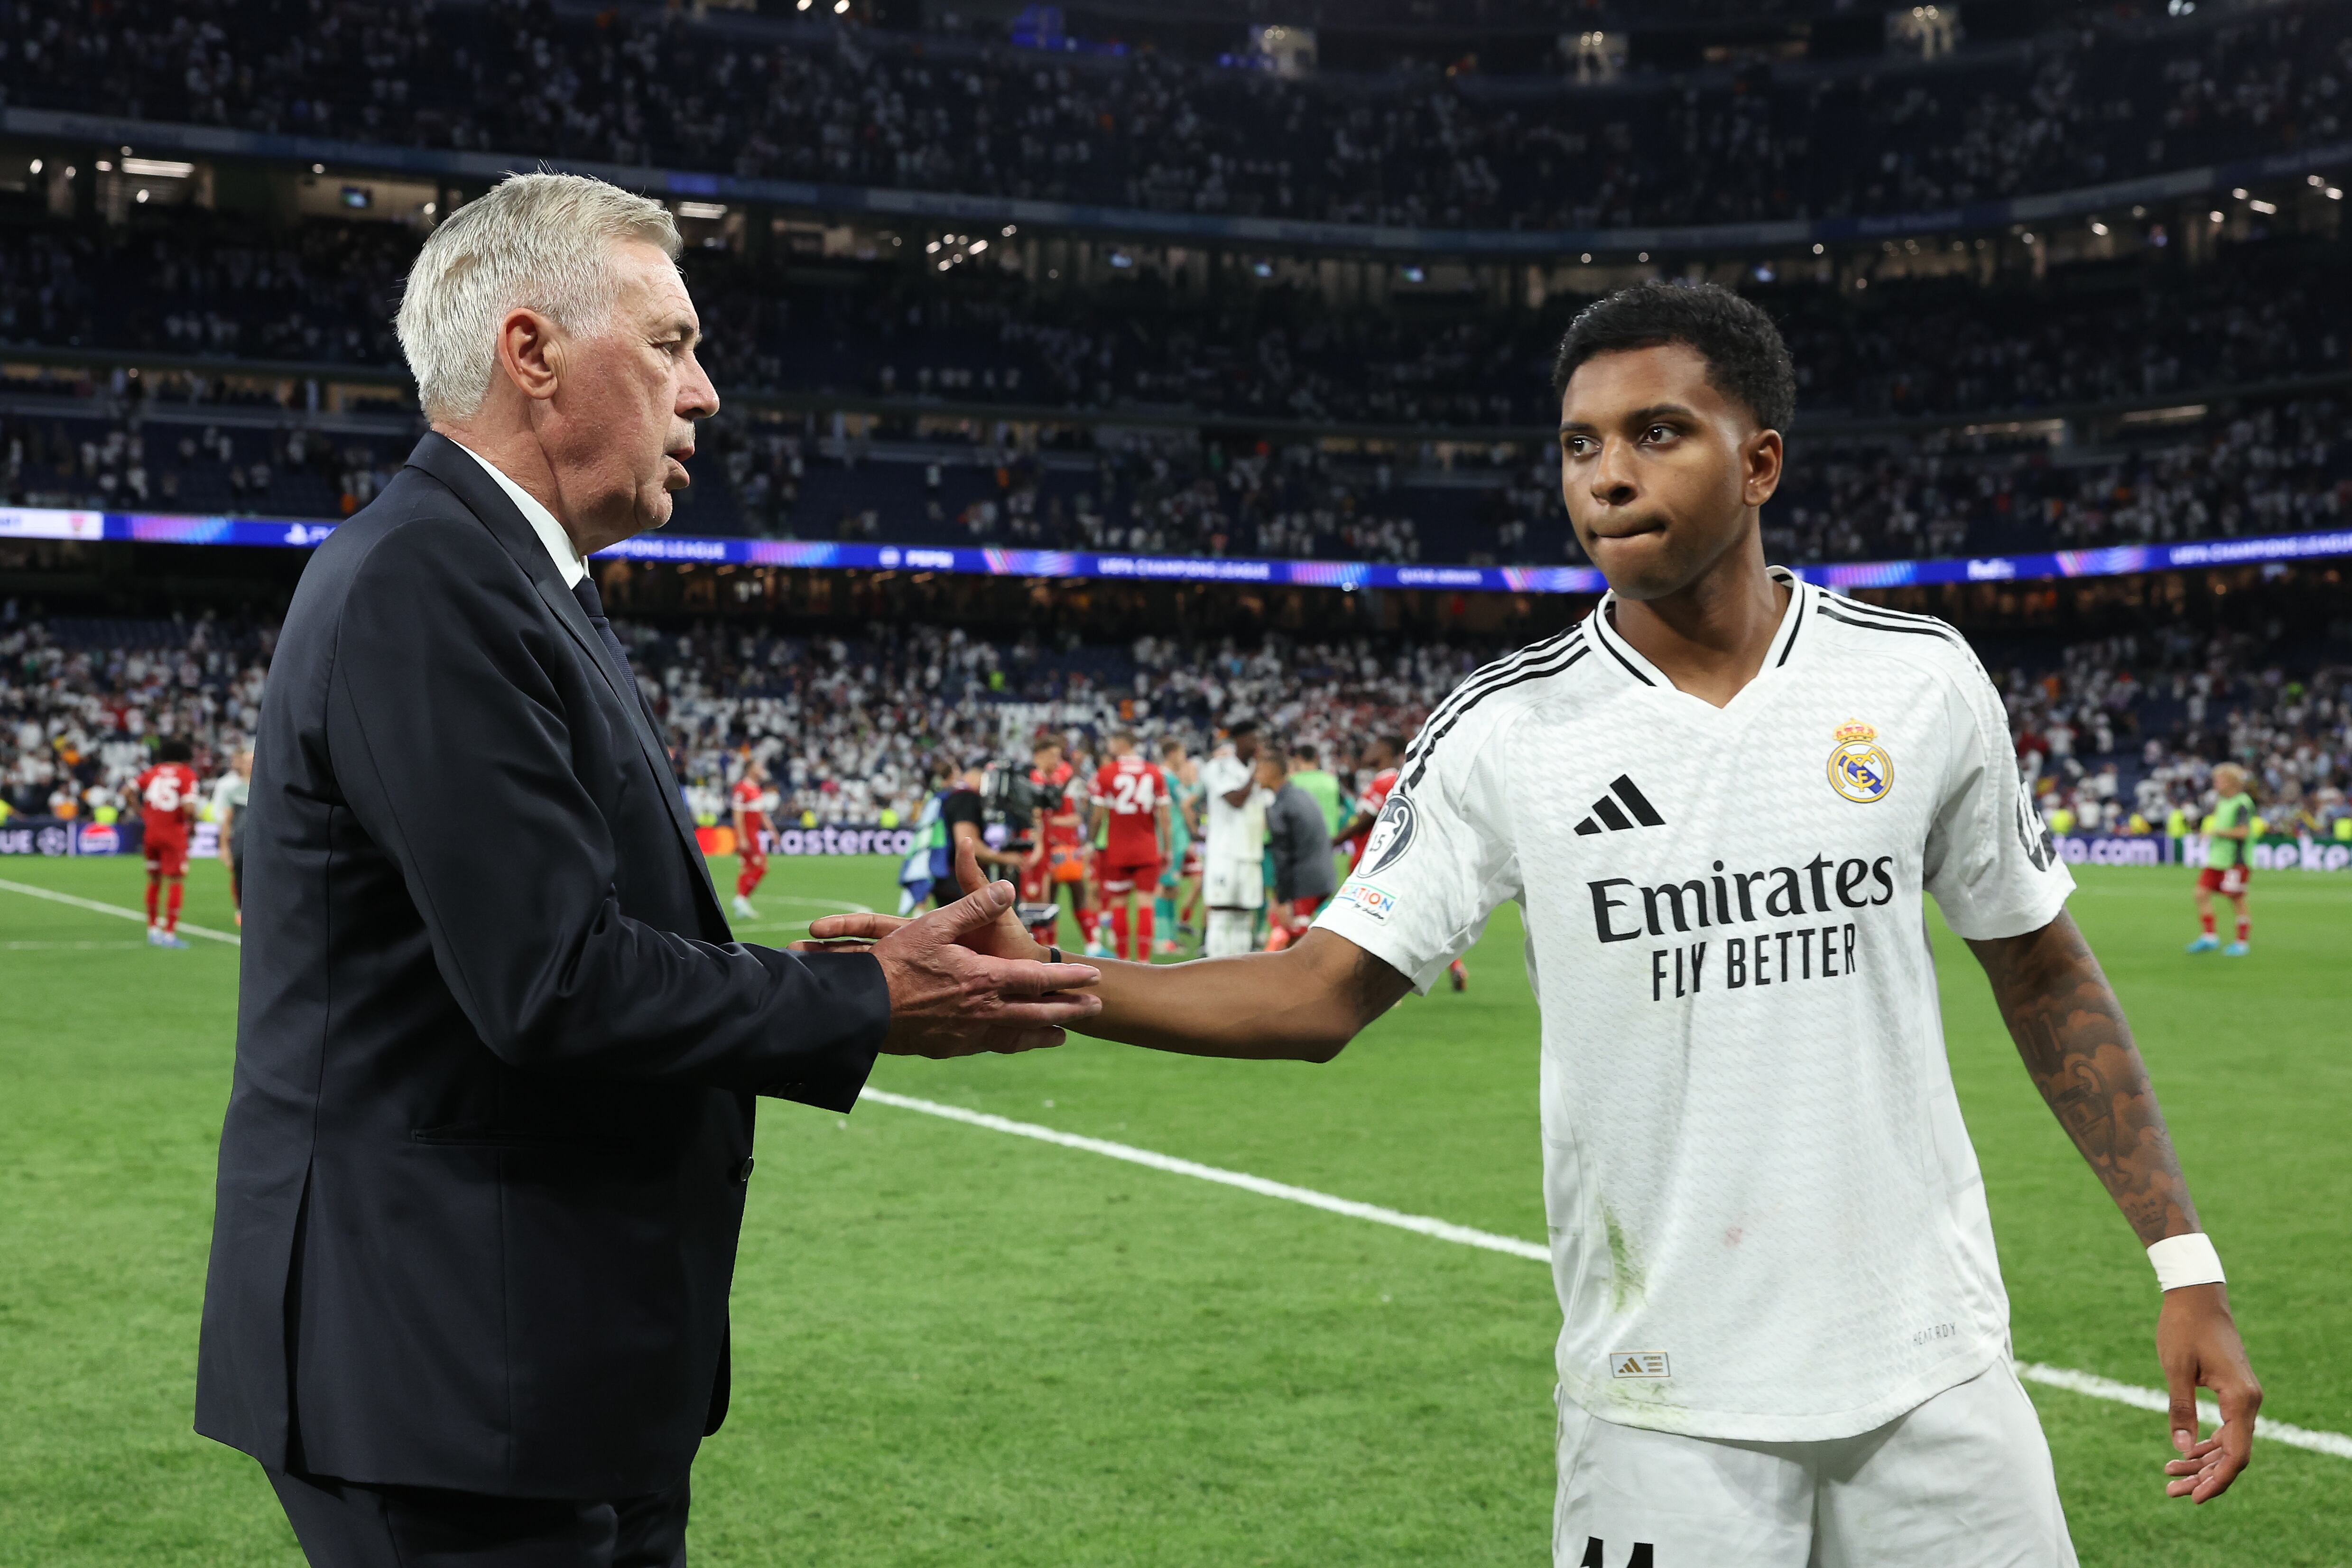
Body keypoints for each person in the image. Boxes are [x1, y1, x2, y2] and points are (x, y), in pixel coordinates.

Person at [820, 281, 2262, 1564]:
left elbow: (2039, 965)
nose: (1605, 477)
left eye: (1654, 434)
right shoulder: (1504, 733)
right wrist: (1059, 981)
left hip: (1936, 1375)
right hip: (1661, 1408)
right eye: (1578, 446)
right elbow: (1313, 995)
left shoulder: (1915, 681)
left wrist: (2180, 1262)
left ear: (1756, 461)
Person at [194, 172, 1102, 1568]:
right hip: (447, 1385)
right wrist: (865, 1003)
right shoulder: (424, 583)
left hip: (534, 1372)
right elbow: (551, 981)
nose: (707, 393)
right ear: (531, 352)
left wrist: (836, 977)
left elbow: (568, 941)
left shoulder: (505, 579)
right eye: (671, 343)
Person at [1334, 733, 1468, 992]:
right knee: (1409, 920)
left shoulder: (1386, 781)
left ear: (1385, 750)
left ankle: (1380, 985)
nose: (1367, 750)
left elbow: (1364, 820)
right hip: (1388, 865)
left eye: (1373, 745)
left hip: (1372, 865)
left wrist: (1333, 841)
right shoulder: (1396, 780)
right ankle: (1454, 965)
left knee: (1368, 924)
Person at [1089, 731, 1173, 962]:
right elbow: (1164, 818)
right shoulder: (1154, 772)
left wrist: (1091, 843)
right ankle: (1144, 962)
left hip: (1118, 850)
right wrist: (1168, 849)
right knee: (1146, 903)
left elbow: (1097, 816)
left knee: (1118, 904)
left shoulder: (1107, 773)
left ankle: (1124, 960)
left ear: (1119, 743)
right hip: (1147, 848)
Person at [1198, 720, 1271, 958]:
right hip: (1225, 851)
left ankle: (1238, 968)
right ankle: (1214, 966)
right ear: (1240, 740)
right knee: (1221, 911)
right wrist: (1257, 773)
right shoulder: (1218, 767)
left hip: (1251, 851)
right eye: (1254, 739)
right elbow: (1236, 800)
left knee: (1244, 913)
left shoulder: (1257, 770)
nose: (1259, 744)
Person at [1259, 745, 1339, 952]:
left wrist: (1283, 898)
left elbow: (1283, 855)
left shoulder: (1281, 806)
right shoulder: (1299, 795)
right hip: (1322, 873)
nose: (1255, 777)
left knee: (1284, 929)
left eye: (1259, 771)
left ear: (1271, 772)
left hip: (1305, 880)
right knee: (1296, 936)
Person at [134, 737, 201, 948]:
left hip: (151, 833)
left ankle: (153, 929)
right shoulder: (186, 774)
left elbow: (127, 791)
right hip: (173, 834)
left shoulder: (152, 772)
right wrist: (193, 824)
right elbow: (189, 808)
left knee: (154, 881)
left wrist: (142, 812)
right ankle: (170, 934)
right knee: (175, 881)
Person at [2188, 761, 2255, 956]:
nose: (2216, 783)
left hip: (2236, 860)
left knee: (2236, 899)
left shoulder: (2242, 802)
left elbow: (2243, 832)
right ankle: (2210, 937)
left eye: (2220, 779)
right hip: (2218, 859)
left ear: (2232, 782)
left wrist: (2216, 832)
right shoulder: (2222, 801)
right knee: (2201, 893)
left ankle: (2242, 942)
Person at [1155, 737, 1202, 956]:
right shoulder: (1168, 778)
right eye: (1182, 754)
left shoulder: (1163, 776)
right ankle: (1161, 939)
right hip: (1172, 839)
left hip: (1174, 838)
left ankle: (1170, 936)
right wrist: (1196, 783)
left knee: (1172, 889)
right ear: (1173, 753)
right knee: (1165, 888)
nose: (1184, 759)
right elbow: (1186, 802)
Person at [728, 755, 775, 919]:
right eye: (758, 766)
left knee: (749, 868)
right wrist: (741, 838)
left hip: (754, 833)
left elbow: (761, 814)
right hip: (748, 834)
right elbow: (738, 815)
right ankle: (741, 898)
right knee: (761, 867)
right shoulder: (742, 788)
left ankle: (742, 902)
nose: (761, 769)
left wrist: (772, 831)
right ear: (750, 769)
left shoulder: (755, 788)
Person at [211, 746, 253, 928]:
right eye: (248, 762)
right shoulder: (231, 788)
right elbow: (226, 820)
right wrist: (224, 847)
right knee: (240, 874)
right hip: (240, 839)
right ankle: (241, 909)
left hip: (262, 841)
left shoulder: (267, 786)